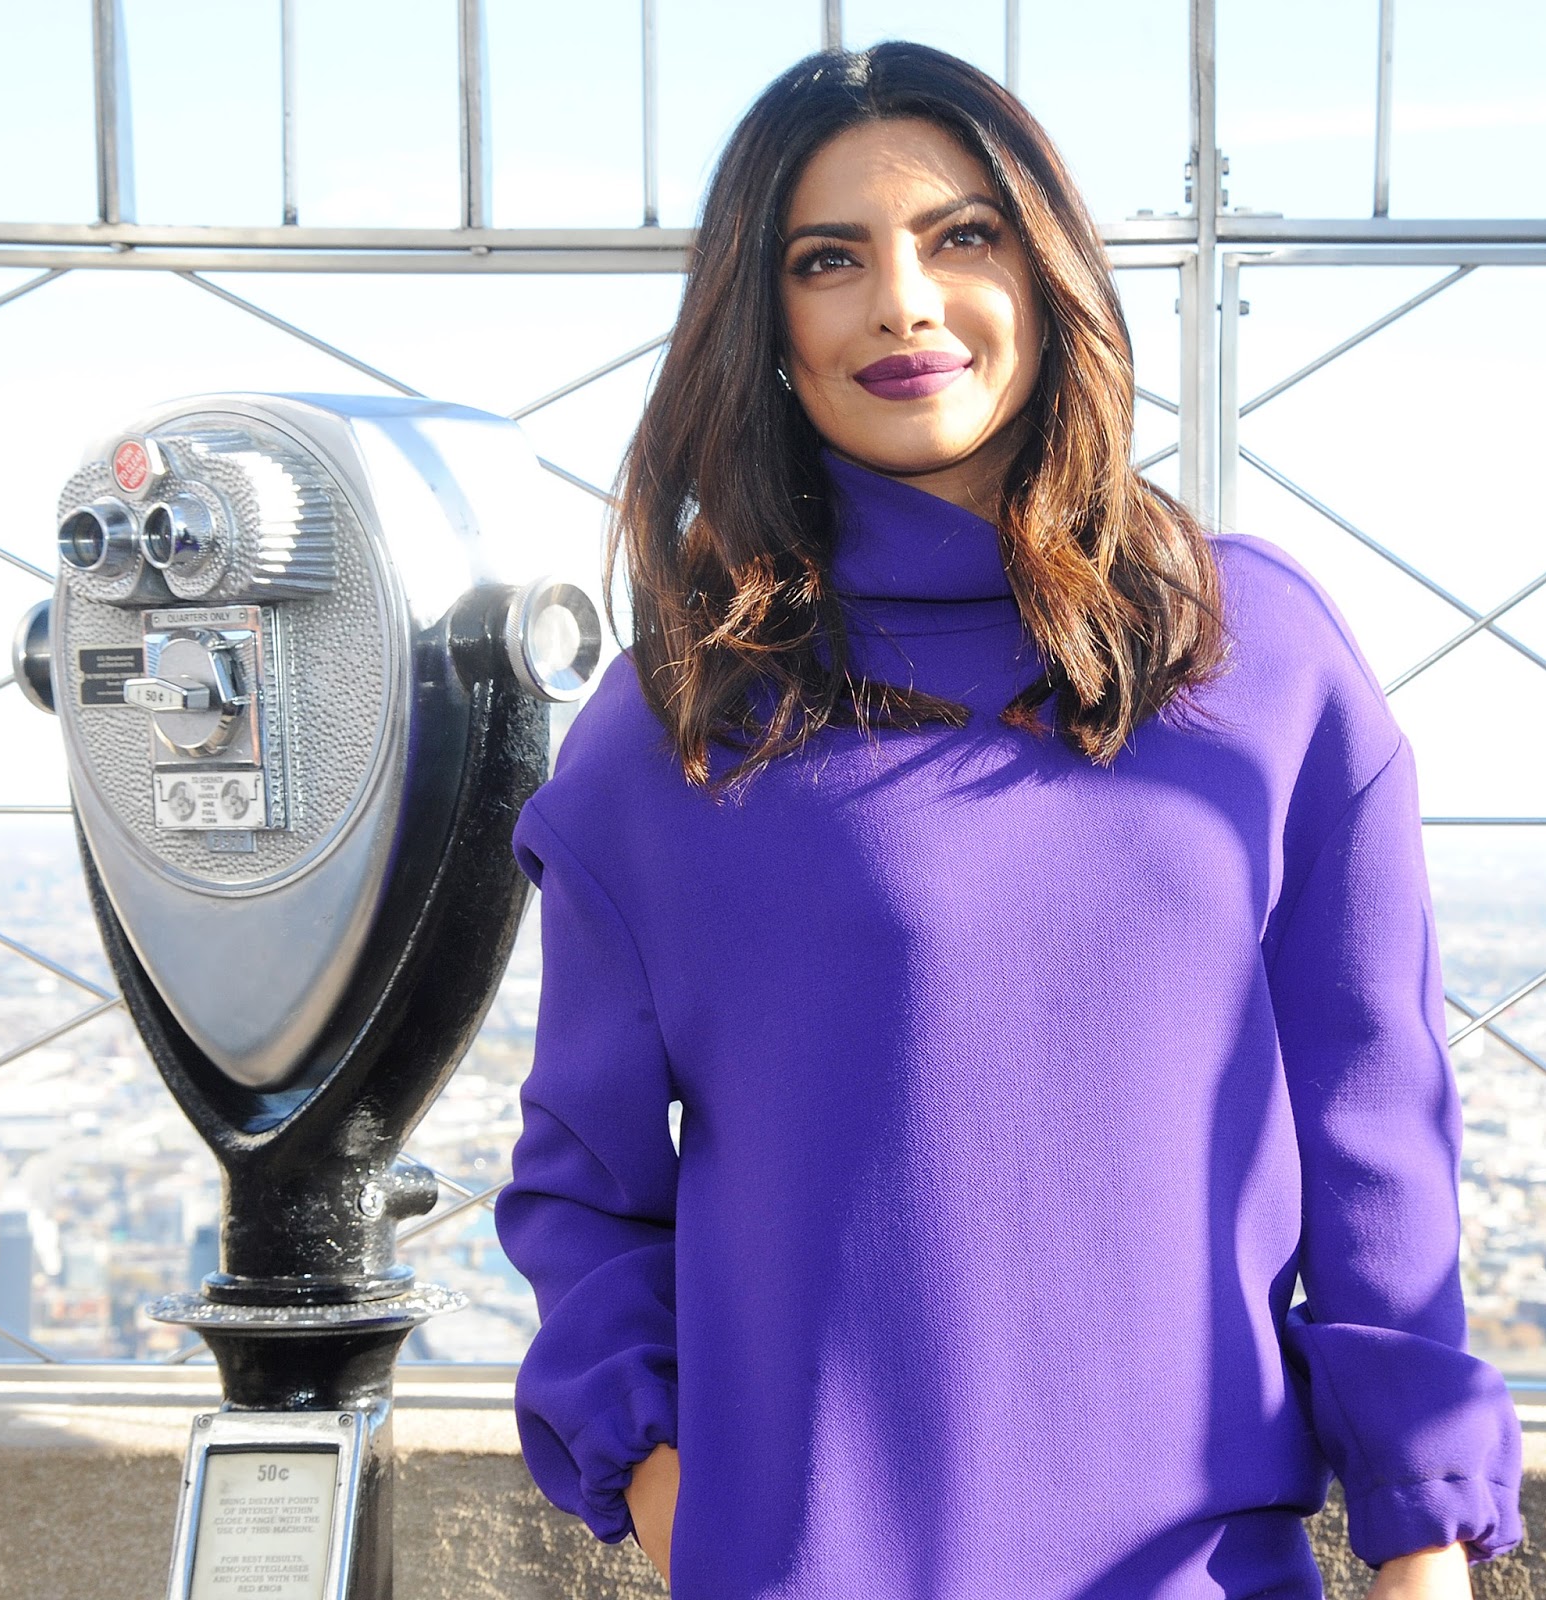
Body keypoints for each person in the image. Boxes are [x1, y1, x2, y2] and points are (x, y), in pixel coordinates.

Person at [492, 40, 1523, 1600]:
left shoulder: (1258, 652)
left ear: (1047, 274)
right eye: (827, 260)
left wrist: (1423, 1539)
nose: (900, 303)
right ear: (762, 323)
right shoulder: (678, 727)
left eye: (958, 236)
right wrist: (674, 1498)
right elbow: (584, 1187)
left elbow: (1372, 1121)